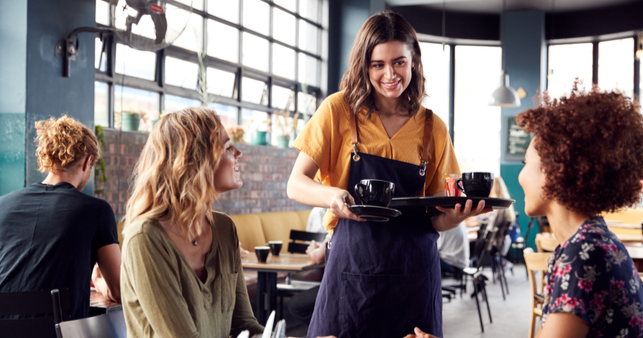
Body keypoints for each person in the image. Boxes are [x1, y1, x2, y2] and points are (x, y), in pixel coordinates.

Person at [287, 11, 488, 338]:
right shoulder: (338, 111)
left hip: (415, 277)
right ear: (363, 66)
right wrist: (332, 197)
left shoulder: (432, 128)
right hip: (350, 271)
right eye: (377, 64)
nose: (389, 74)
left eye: (399, 62)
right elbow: (295, 184)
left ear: (414, 62)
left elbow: (434, 218)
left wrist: (454, 219)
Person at [121, 107, 264, 338]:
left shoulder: (225, 229)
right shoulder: (145, 239)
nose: (239, 153)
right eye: (227, 147)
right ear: (196, 160)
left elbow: (244, 325)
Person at [516, 85, 643, 337]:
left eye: (526, 162)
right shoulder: (589, 242)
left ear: (553, 171)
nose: (520, 175)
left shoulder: (584, 255)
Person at [0, 115, 121, 319]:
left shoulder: (3, 204)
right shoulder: (96, 211)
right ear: (88, 162)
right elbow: (121, 291)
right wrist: (98, 281)